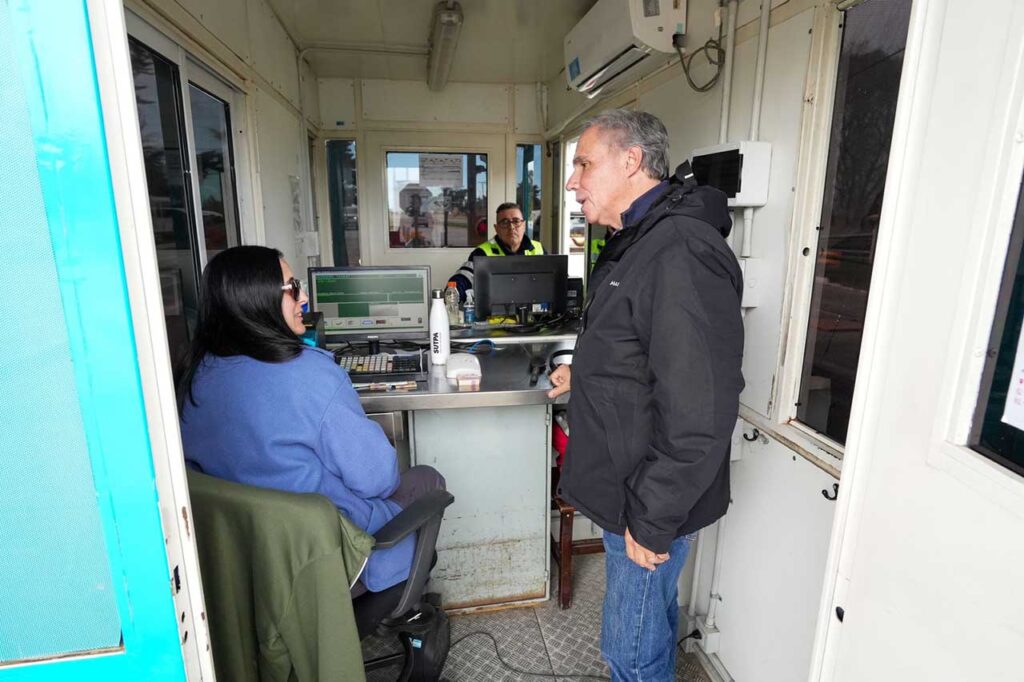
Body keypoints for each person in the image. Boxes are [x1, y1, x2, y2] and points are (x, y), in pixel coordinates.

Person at [548, 109, 744, 681]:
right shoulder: (639, 239)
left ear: (631, 161)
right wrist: (584, 373)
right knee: (649, 625)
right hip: (629, 483)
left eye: (584, 164)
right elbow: (641, 348)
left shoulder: (679, 249)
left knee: (630, 652)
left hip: (646, 497)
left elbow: (700, 406)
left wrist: (652, 518)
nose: (572, 181)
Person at [176, 245, 445, 594]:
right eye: (292, 288)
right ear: (257, 299)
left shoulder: (193, 377)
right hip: (328, 562)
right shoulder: (309, 373)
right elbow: (379, 481)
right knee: (426, 479)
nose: (304, 297)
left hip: (243, 571)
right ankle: (402, 596)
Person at [447, 202, 545, 303]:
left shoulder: (539, 249)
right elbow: (463, 279)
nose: (511, 227)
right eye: (505, 222)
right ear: (496, 228)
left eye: (516, 221)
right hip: (496, 312)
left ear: (523, 225)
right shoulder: (482, 253)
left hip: (534, 311)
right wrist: (453, 294)